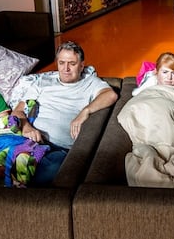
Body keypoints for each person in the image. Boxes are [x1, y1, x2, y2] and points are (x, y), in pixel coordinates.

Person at [8, 41, 118, 185]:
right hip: (31, 142)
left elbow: (111, 95)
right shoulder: (42, 82)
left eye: (72, 63)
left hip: (60, 149)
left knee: (41, 177)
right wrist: (26, 126)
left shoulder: (90, 82)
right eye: (61, 63)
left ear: (82, 65)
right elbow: (18, 111)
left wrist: (85, 111)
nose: (66, 69)